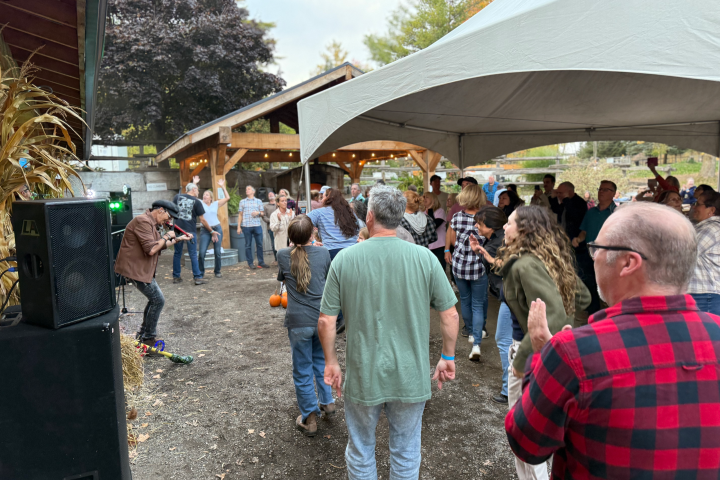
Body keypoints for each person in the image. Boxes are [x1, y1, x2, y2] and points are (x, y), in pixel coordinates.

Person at [505, 202, 720, 480]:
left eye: (597, 249)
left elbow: (526, 443)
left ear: (628, 263)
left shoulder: (574, 353)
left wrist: (540, 358)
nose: (592, 257)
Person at [318, 185, 459, 480]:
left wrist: (331, 362)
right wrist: (447, 355)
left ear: (369, 217)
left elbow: (326, 321)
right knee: (406, 450)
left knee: (360, 448)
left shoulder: (344, 259)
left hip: (363, 373)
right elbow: (450, 314)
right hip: (410, 373)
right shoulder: (424, 259)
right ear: (399, 218)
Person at [496, 205, 590, 480]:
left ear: (524, 229)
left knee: (525, 438)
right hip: (551, 350)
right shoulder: (551, 257)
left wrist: (521, 361)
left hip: (531, 351)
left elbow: (553, 313)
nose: (504, 227)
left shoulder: (524, 264)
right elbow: (582, 298)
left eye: (509, 223)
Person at [277, 215, 335, 436]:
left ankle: (309, 418)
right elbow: (326, 276)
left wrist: (297, 246)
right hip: (321, 320)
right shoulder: (323, 252)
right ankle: (328, 402)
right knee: (321, 361)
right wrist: (313, 246)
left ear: (290, 237)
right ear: (313, 234)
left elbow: (282, 277)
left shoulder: (282, 255)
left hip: (298, 321)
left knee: (302, 370)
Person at [115, 200, 192, 347]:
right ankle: (147, 339)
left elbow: (159, 246)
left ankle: (144, 336)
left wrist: (179, 238)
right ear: (161, 210)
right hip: (135, 269)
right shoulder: (142, 221)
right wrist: (166, 236)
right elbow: (151, 249)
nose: (168, 221)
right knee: (158, 300)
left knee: (155, 300)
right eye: (168, 217)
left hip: (140, 268)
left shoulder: (150, 223)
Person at [468, 206, 510, 404]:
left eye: (479, 223)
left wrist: (485, 255)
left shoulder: (499, 243)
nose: (476, 225)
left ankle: (508, 389)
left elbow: (499, 267)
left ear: (491, 226)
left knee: (504, 340)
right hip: (511, 295)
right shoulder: (496, 240)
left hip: (511, 296)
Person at [445, 184, 488, 359]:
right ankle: (476, 344)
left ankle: (470, 332)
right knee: (478, 303)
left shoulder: (456, 217)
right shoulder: (485, 218)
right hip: (478, 266)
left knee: (465, 300)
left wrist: (461, 250)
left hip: (459, 265)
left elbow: (453, 240)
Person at [571, 180, 617, 314]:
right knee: (589, 286)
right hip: (589, 255)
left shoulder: (615, 213)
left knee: (606, 288)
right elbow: (584, 231)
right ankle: (593, 316)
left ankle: (609, 315)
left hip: (608, 257)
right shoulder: (591, 212)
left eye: (605, 190)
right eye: (600, 189)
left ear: (613, 193)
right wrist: (578, 238)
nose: (601, 192)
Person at [172, 178, 212, 285]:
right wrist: (211, 231)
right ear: (194, 190)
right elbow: (202, 219)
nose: (198, 192)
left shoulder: (177, 197)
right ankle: (197, 277)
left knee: (177, 253)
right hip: (190, 230)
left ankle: (176, 277)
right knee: (193, 254)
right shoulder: (197, 202)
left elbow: (172, 211)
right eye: (197, 190)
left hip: (177, 229)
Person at [688, 191, 720, 315]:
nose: (693, 206)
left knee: (702, 334)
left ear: (711, 210)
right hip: (703, 296)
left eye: (697, 204)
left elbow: (684, 253)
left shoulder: (711, 229)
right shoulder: (703, 228)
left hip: (704, 297)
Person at [198, 179, 230, 279]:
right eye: (204, 194)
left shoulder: (215, 204)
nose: (205, 196)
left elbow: (227, 197)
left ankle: (217, 271)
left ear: (211, 198)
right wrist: (194, 183)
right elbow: (192, 196)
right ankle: (201, 272)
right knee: (202, 253)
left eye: (207, 195)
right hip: (205, 231)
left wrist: (222, 186)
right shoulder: (200, 203)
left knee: (217, 252)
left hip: (217, 228)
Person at [237, 185, 269, 270]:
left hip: (257, 225)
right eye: (246, 189)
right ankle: (250, 263)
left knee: (259, 244)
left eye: (249, 189)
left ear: (253, 191)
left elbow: (262, 213)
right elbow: (240, 215)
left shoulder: (258, 201)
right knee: (248, 245)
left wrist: (258, 213)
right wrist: (238, 227)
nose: (247, 190)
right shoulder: (242, 202)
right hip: (246, 226)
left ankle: (261, 262)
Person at [551, 181, 587, 247]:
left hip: (575, 241)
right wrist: (553, 198)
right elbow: (557, 211)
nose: (558, 195)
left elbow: (575, 217)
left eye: (561, 193)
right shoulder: (565, 202)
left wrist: (566, 200)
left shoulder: (580, 203)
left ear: (570, 192)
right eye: (557, 193)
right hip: (564, 239)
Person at [424, 192, 447, 270]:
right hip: (427, 245)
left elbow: (433, 225)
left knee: (439, 269)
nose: (424, 199)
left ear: (433, 200)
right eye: (423, 197)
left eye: (427, 197)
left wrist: (430, 210)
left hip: (439, 246)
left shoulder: (440, 211)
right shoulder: (422, 212)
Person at [262, 191, 278, 264]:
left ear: (275, 195)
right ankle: (276, 259)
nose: (270, 195)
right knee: (274, 244)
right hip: (271, 228)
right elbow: (263, 216)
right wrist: (271, 220)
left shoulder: (278, 204)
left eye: (271, 194)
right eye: (269, 194)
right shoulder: (266, 206)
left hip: (280, 227)